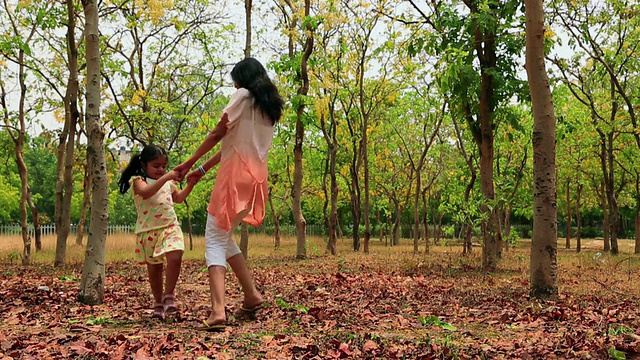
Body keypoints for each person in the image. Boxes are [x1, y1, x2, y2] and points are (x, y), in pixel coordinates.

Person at [174, 57, 284, 332]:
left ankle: (217, 311)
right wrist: (200, 169)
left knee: (213, 237)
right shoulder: (267, 107)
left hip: (235, 177)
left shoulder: (243, 96)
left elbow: (217, 133)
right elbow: (230, 144)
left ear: (242, 79)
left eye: (235, 78)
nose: (234, 84)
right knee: (223, 236)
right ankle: (252, 296)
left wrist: (187, 162)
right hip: (255, 181)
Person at [118, 144, 196, 321]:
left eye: (164, 166)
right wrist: (167, 177)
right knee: (155, 270)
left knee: (176, 256)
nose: (161, 170)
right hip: (149, 231)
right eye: (156, 166)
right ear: (144, 165)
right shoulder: (138, 180)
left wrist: (190, 185)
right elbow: (146, 192)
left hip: (170, 227)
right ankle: (158, 304)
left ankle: (169, 296)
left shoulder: (168, 182)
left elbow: (178, 198)